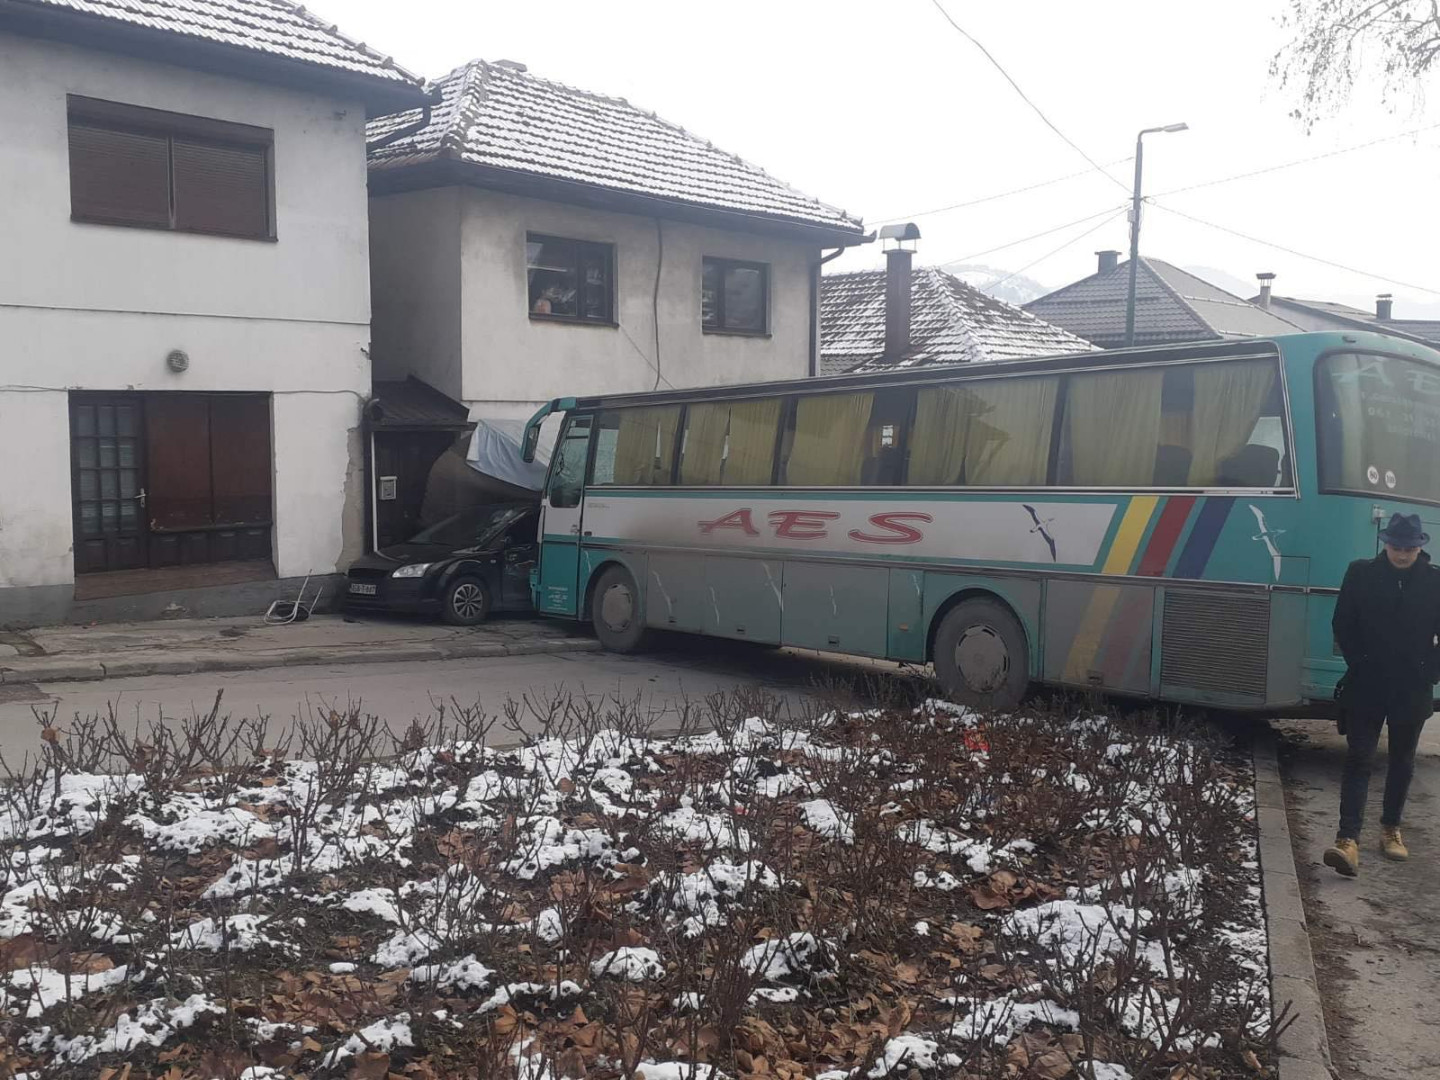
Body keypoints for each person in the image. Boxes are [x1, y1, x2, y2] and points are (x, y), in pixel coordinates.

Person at [1325, 512, 1440, 877]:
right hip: (1367, 683)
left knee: (1402, 761)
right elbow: (1343, 621)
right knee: (1359, 757)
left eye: (1409, 547)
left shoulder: (1435, 581)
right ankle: (1347, 840)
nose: (1402, 553)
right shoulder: (1360, 573)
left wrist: (1432, 672)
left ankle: (1391, 829)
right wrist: (1359, 662)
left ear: (1420, 546)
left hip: (1412, 686)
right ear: (1385, 543)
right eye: (1395, 545)